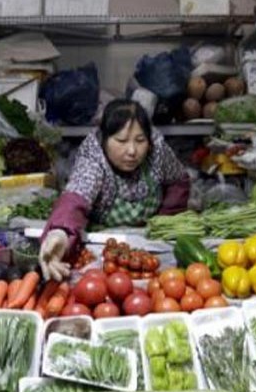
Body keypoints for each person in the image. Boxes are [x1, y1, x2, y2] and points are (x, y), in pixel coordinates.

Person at [38, 99, 190, 280]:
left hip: (150, 253)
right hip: (103, 252)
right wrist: (60, 232)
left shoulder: (157, 151)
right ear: (104, 139)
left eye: (140, 140)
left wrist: (165, 224)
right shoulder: (94, 157)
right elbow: (77, 195)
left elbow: (178, 182)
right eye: (121, 140)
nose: (132, 151)